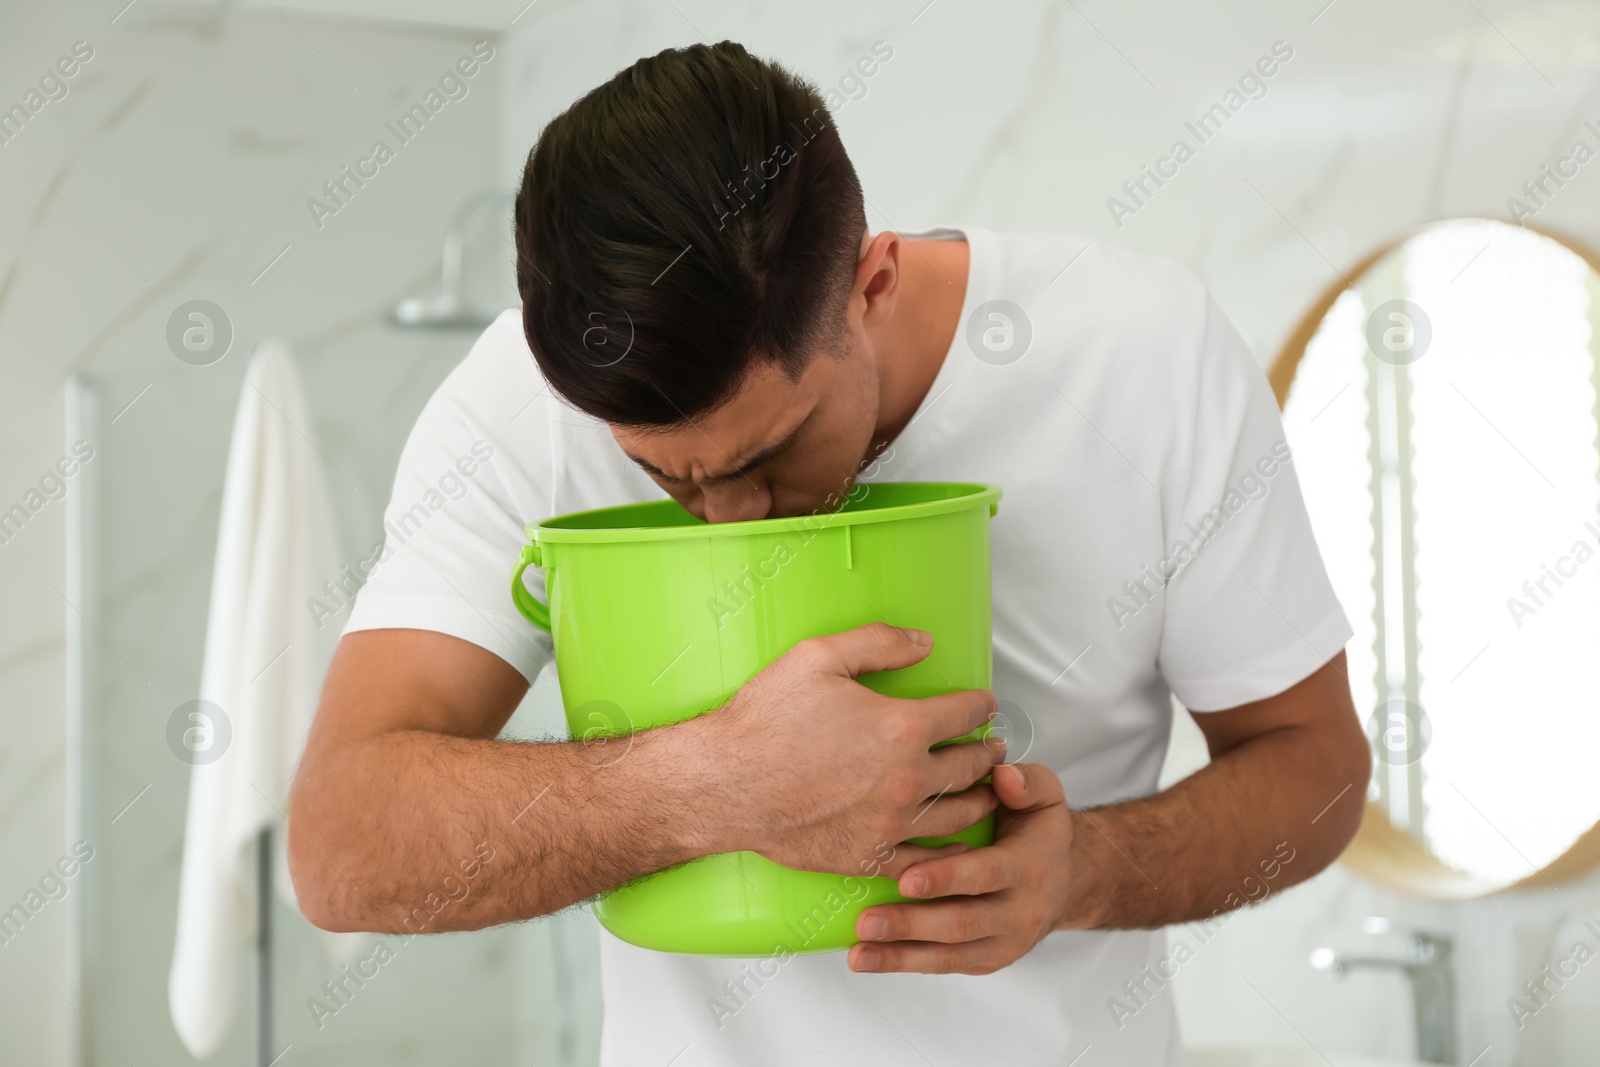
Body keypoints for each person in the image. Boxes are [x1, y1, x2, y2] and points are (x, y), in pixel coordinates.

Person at [288, 40, 1370, 1066]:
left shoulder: (1142, 354)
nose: (730, 520)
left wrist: (1082, 871)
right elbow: (342, 848)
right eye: (668, 475)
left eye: (769, 449)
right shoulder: (526, 406)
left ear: (874, 281)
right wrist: (708, 784)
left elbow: (1313, 769)